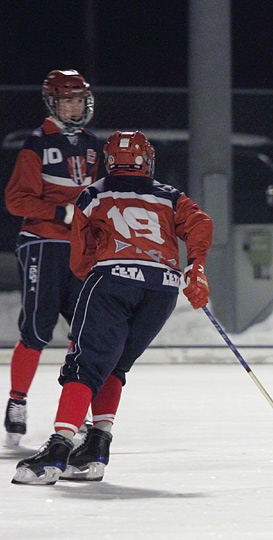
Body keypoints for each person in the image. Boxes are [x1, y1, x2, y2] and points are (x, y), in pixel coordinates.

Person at [11, 131, 213, 485]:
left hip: (112, 281)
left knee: (84, 364)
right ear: (147, 161)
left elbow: (81, 254)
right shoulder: (170, 195)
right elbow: (201, 223)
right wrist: (195, 267)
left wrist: (97, 276)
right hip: (162, 289)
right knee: (115, 365)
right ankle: (96, 449)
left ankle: (58, 449)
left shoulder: (93, 193)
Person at [4, 70, 105, 447]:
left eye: (79, 99)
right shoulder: (37, 143)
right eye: (67, 100)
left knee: (85, 332)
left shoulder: (94, 145)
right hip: (42, 243)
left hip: (79, 249)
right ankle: (17, 402)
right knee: (38, 327)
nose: (74, 107)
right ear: (53, 103)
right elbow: (16, 201)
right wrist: (61, 211)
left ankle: (73, 414)